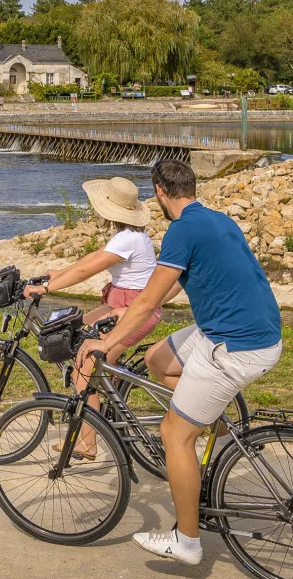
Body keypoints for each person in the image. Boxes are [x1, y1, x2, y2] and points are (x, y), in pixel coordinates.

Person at [78, 159, 282, 566]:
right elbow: (163, 290)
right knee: (157, 359)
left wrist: (108, 342)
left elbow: (151, 301)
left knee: (174, 433)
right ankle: (213, 424)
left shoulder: (181, 230)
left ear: (158, 192)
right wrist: (123, 315)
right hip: (248, 330)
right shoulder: (214, 219)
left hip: (234, 344)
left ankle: (187, 540)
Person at [24, 176, 161, 459]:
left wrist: (45, 288)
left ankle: (88, 442)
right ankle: (104, 398)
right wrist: (58, 274)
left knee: (82, 363)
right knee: (77, 331)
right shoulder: (130, 236)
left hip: (131, 311)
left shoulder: (127, 239)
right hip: (121, 306)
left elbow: (87, 272)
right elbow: (91, 260)